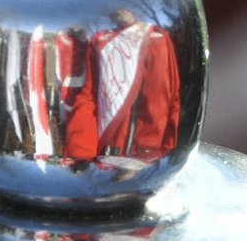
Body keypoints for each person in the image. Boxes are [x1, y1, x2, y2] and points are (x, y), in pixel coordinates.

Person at [64, 8, 180, 162]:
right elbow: (89, 96)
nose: (120, 11)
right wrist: (81, 154)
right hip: (104, 155)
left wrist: (167, 154)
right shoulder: (102, 41)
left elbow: (171, 99)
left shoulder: (158, 37)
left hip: (150, 158)